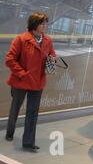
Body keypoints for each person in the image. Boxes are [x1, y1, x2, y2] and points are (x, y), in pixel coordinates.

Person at [5, 12, 56, 152]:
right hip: (21, 81)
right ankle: (10, 132)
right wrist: (22, 74)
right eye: (42, 23)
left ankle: (28, 142)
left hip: (38, 82)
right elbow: (10, 59)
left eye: (46, 23)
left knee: (32, 113)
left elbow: (52, 53)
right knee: (15, 109)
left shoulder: (48, 40)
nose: (45, 25)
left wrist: (52, 58)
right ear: (34, 24)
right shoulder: (21, 39)